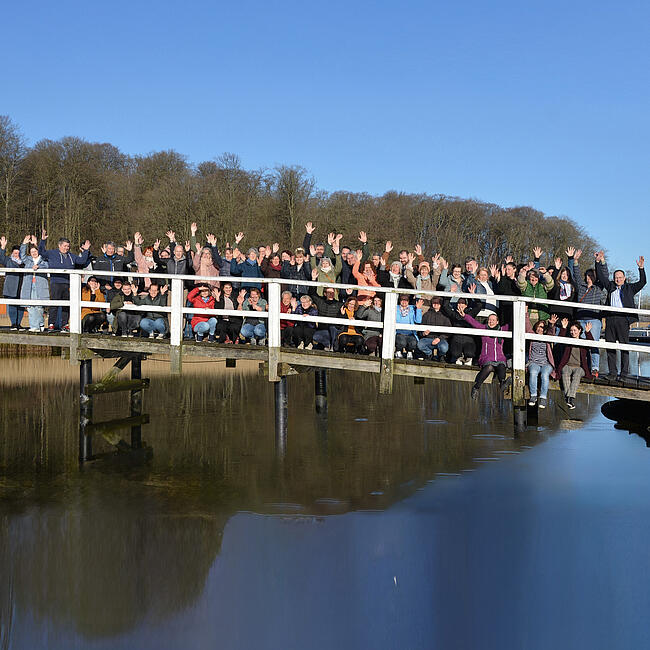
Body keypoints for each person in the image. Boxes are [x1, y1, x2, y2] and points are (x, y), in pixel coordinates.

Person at [595, 251, 646, 378]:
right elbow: (601, 277)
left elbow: (643, 282)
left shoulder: (630, 288)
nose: (618, 279)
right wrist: (598, 262)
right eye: (616, 277)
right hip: (611, 318)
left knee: (624, 347)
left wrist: (641, 268)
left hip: (623, 320)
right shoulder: (610, 286)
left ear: (624, 278)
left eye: (620, 277)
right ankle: (612, 373)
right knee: (610, 347)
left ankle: (624, 373)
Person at [37, 230, 92, 331]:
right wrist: (43, 240)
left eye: (68, 246)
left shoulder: (72, 256)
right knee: (55, 304)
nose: (67, 248)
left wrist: (86, 251)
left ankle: (65, 324)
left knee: (67, 305)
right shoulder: (52, 253)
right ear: (59, 246)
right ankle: (51, 324)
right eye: (65, 246)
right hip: (56, 282)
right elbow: (41, 252)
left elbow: (82, 261)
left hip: (68, 283)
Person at [567, 247, 605, 375]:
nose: (589, 278)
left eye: (591, 276)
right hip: (581, 319)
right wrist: (575, 261)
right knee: (581, 345)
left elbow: (603, 275)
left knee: (593, 344)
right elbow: (575, 275)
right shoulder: (581, 287)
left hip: (593, 319)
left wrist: (598, 261)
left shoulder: (598, 288)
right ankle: (583, 366)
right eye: (587, 276)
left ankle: (594, 368)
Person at [459, 304, 510, 400]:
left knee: (502, 366)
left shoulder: (502, 330)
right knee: (489, 367)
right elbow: (473, 322)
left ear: (497, 322)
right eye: (489, 320)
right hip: (487, 357)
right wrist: (464, 316)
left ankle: (503, 383)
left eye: (493, 320)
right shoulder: (484, 328)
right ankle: (476, 387)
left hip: (499, 358)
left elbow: (512, 324)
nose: (491, 322)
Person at [555, 319, 594, 409]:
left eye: (575, 330)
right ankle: (569, 399)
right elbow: (560, 341)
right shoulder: (568, 341)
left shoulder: (583, 342)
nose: (573, 332)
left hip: (579, 367)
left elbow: (591, 344)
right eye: (571, 330)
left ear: (579, 331)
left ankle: (570, 397)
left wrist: (588, 332)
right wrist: (563, 328)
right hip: (568, 365)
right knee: (565, 371)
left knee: (577, 374)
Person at [526, 315, 557, 409]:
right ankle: (533, 395)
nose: (540, 329)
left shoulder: (547, 337)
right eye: (539, 326)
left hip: (546, 363)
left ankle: (543, 397)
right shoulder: (532, 335)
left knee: (544, 375)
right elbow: (527, 325)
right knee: (533, 372)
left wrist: (551, 325)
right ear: (536, 327)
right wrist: (526, 313)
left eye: (543, 327)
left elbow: (551, 332)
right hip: (534, 362)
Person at [19, 238, 49, 332]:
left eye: (35, 251)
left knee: (39, 307)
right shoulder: (27, 260)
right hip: (29, 286)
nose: (33, 253)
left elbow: (48, 266)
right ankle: (34, 327)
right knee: (30, 307)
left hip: (40, 286)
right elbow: (22, 255)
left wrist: (39, 267)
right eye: (32, 252)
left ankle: (40, 324)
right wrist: (24, 243)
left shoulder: (43, 260)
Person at [0, 236, 26, 329]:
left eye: (18, 253)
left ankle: (19, 323)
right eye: (15, 253)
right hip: (11, 287)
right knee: (12, 306)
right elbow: (1, 258)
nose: (17, 255)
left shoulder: (25, 262)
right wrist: (2, 247)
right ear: (12, 253)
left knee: (21, 306)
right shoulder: (8, 261)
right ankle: (14, 324)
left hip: (22, 286)